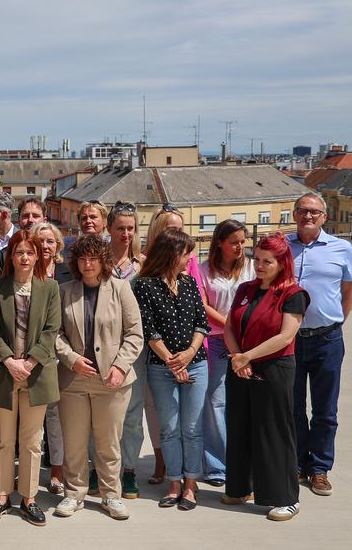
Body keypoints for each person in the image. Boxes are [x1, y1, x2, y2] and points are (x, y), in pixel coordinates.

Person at [54, 234, 144, 521]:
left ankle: (111, 495)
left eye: (93, 257)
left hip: (112, 380)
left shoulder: (121, 289)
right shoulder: (65, 290)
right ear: (75, 262)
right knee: (75, 441)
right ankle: (74, 493)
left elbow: (134, 333)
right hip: (74, 379)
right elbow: (54, 333)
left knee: (108, 442)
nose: (87, 263)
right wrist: (71, 359)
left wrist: (120, 366)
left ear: (103, 259)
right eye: (82, 258)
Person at [222, 232, 309, 521]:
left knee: (273, 432)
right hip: (240, 367)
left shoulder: (293, 295)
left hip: (274, 368)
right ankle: (239, 487)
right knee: (239, 426)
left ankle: (285, 497)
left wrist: (248, 356)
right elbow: (230, 327)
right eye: (256, 259)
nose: (259, 265)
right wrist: (238, 358)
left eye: (267, 261)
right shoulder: (245, 288)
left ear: (282, 263)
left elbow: (285, 336)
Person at [0, 230, 60, 526]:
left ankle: (28, 499)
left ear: (38, 256)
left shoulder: (49, 287)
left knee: (31, 441)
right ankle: (1, 497)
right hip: (4, 373)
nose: (24, 257)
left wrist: (28, 362)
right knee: (3, 440)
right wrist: (10, 361)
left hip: (36, 374)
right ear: (10, 256)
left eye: (30, 252)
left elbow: (52, 330)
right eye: (19, 252)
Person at [133, 229, 209, 511]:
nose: (190, 258)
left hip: (196, 363)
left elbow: (202, 323)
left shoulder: (189, 283)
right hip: (161, 367)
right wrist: (171, 361)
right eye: (186, 253)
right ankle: (174, 482)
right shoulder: (143, 285)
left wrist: (188, 355)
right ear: (172, 254)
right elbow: (148, 330)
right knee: (169, 427)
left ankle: (190, 485)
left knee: (191, 428)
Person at [288, 192, 352, 497]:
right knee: (294, 407)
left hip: (327, 338)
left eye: (314, 211)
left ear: (324, 217)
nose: (308, 216)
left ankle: (320, 469)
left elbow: (348, 289)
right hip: (289, 340)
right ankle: (299, 462)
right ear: (294, 214)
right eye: (302, 211)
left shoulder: (342, 248)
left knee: (325, 410)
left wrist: (337, 319)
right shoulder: (283, 247)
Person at [197, 219, 254, 488]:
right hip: (217, 342)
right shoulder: (204, 270)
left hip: (249, 342)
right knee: (215, 402)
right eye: (234, 242)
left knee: (245, 402)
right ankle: (217, 465)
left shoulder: (253, 267)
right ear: (219, 243)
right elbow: (203, 304)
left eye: (243, 241)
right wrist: (229, 325)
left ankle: (244, 460)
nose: (240, 247)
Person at [103, 202, 148, 499]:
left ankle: (129, 470)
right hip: (102, 345)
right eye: (120, 228)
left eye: (130, 228)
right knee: (101, 412)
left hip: (134, 349)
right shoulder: (99, 263)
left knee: (132, 413)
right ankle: (100, 469)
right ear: (109, 229)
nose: (126, 234)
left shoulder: (143, 266)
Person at [34, 221, 69, 492]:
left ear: (58, 245)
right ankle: (31, 469)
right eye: (40, 241)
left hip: (65, 351)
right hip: (33, 352)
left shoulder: (68, 272)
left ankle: (57, 469)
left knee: (57, 414)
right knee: (33, 416)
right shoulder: (25, 271)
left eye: (50, 241)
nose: (45, 246)